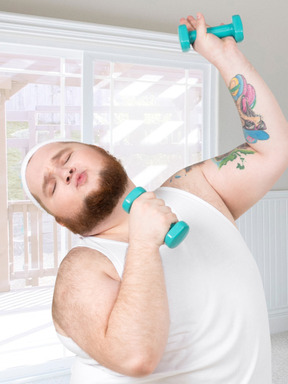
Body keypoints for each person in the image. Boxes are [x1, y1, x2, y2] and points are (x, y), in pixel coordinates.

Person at [21, 13, 288, 384]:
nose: (63, 173)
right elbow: (134, 357)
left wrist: (224, 56)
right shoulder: (81, 268)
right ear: (62, 221)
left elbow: (271, 151)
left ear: (99, 150)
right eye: (51, 187)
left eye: (65, 157)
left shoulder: (194, 189)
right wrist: (143, 243)